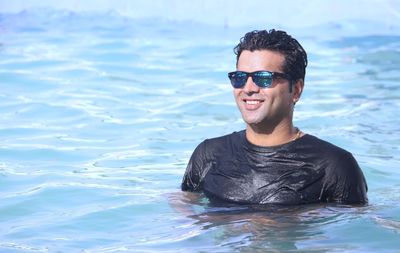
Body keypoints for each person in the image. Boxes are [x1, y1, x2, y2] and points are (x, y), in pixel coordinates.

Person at [181, 29, 368, 205]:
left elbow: (352, 231)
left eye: (263, 78)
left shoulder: (334, 166)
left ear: (296, 90)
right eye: (240, 77)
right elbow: (186, 209)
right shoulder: (208, 154)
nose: (248, 88)